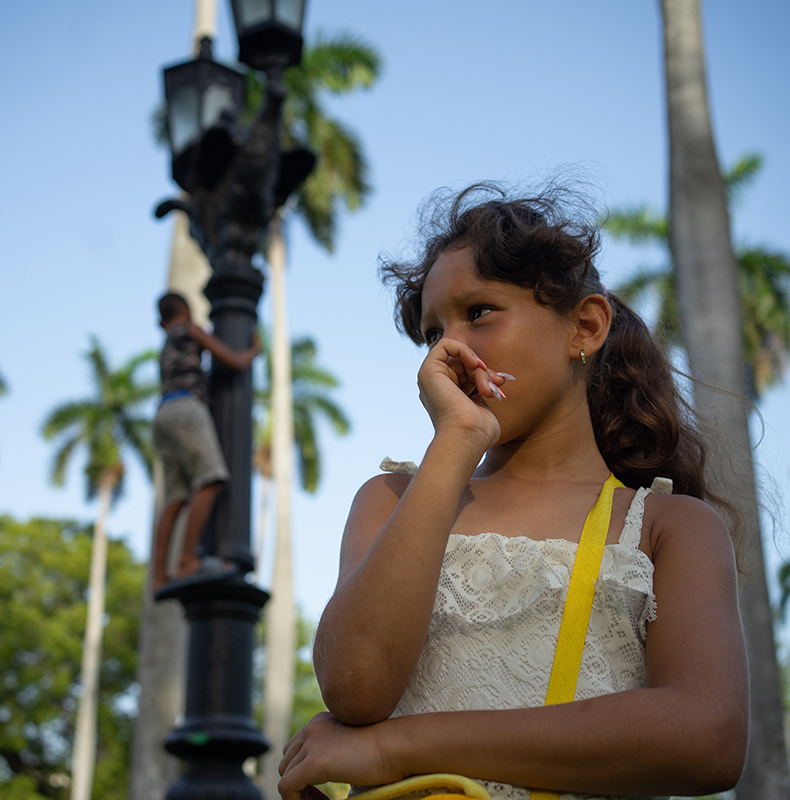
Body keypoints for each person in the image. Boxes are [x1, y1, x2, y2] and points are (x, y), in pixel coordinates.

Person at [276, 185, 748, 799]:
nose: (449, 350)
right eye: (431, 333)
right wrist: (458, 439)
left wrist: (394, 747)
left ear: (585, 325)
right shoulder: (393, 499)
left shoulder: (667, 525)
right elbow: (355, 684)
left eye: (479, 313)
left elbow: (708, 737)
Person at [151, 292, 261, 593]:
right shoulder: (190, 329)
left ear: (162, 321)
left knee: (175, 497)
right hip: (188, 410)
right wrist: (254, 351)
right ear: (185, 311)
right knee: (211, 479)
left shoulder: (166, 345)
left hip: (163, 414)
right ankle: (188, 560)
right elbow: (234, 361)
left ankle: (158, 575)